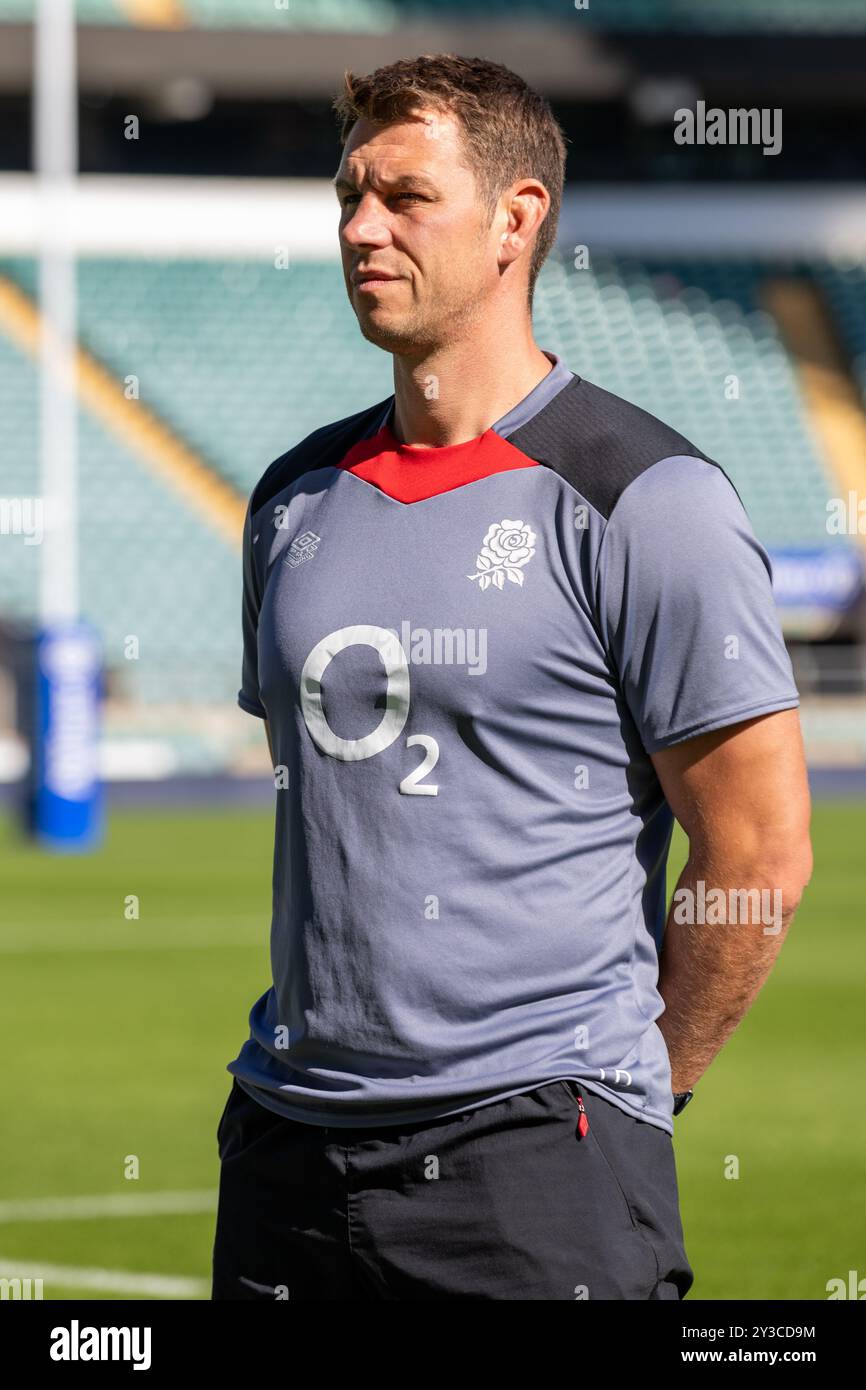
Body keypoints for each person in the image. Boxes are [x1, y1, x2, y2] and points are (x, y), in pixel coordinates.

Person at [211, 53, 812, 1300]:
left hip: (535, 1167)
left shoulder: (646, 499)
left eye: (403, 197)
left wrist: (634, 1088)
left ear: (515, 218)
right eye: (346, 198)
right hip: (285, 1148)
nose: (359, 230)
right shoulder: (291, 499)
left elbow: (755, 852)